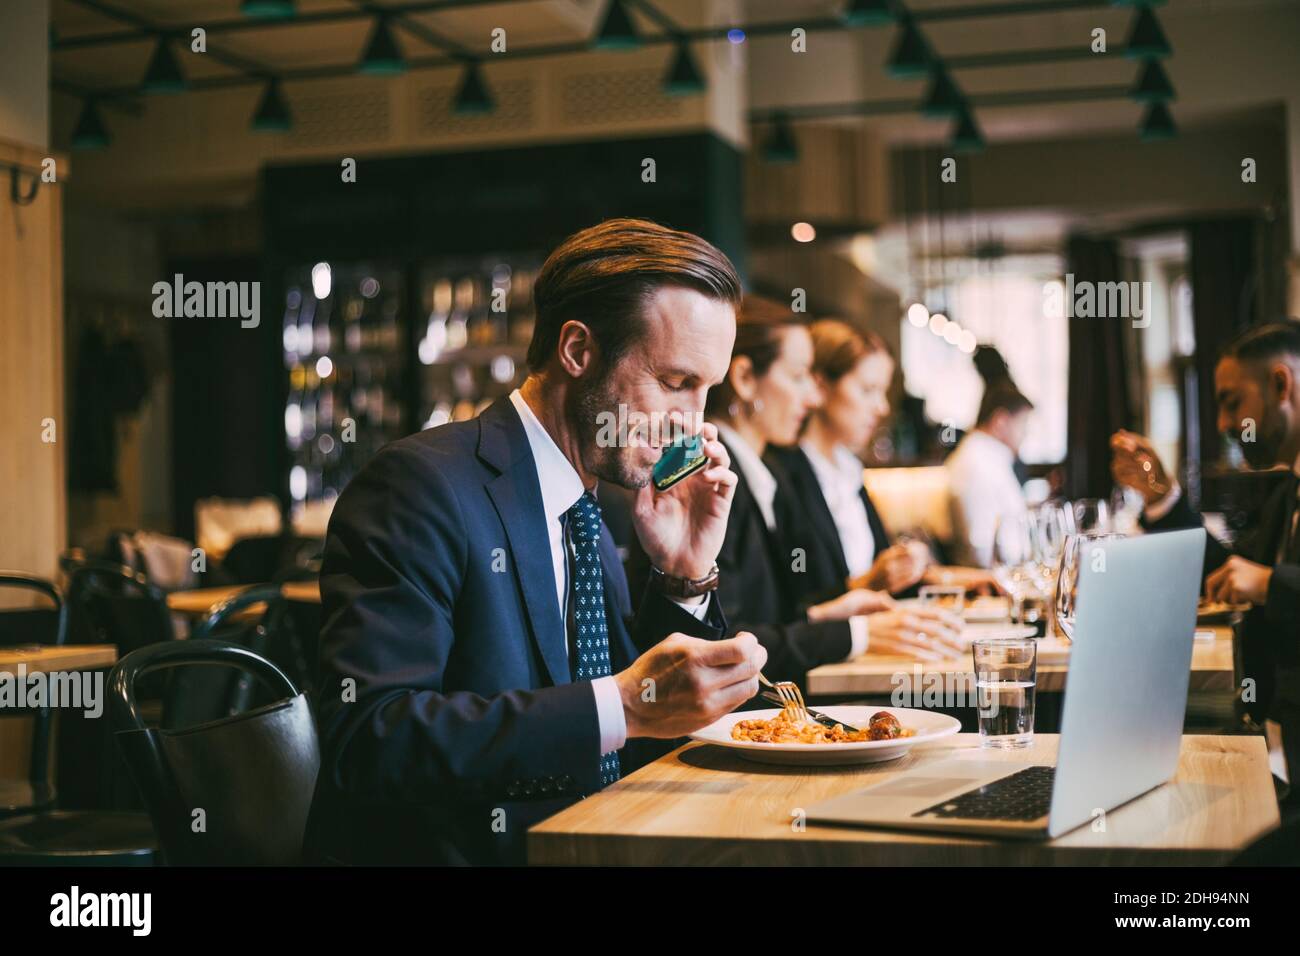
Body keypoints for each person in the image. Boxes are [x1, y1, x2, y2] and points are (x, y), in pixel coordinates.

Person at [307, 219, 768, 865]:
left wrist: (682, 575)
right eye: (674, 383)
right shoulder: (421, 484)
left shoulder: (589, 502)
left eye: (706, 390)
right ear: (578, 350)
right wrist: (626, 705)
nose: (692, 423)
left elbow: (634, 731)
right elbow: (371, 739)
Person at [702, 298, 963, 686]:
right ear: (743, 380)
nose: (811, 397)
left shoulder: (755, 475)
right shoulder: (716, 477)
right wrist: (855, 633)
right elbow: (720, 644)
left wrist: (832, 610)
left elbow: (760, 621)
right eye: (797, 377)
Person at [1112, 320, 1300, 803]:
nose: (1222, 423)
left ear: (1281, 385)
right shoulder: (1289, 490)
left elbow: (1260, 581)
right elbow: (1231, 573)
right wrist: (1161, 496)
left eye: (1231, 401)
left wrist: (1269, 585)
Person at [770, 319, 994, 603]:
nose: (882, 407)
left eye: (883, 391)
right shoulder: (782, 475)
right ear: (821, 386)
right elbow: (794, 609)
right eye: (868, 390)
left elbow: (885, 581)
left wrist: (956, 579)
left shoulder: (848, 471)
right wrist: (871, 582)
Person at [946, 384, 1034, 567]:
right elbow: (982, 549)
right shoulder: (978, 464)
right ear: (1000, 421)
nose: (1026, 433)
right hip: (993, 582)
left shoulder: (988, 456)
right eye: (1023, 423)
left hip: (1010, 573)